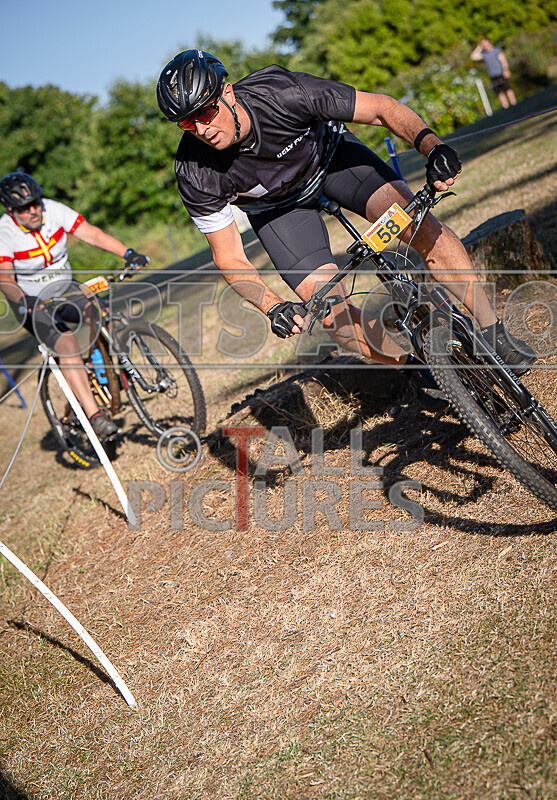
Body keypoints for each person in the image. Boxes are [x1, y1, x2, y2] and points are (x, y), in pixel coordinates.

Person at [156, 50, 534, 408]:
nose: (202, 128)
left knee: (420, 226)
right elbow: (229, 256)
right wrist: (272, 307)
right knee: (330, 313)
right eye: (188, 122)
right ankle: (421, 371)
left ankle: (492, 332)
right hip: (279, 211)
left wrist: (432, 147)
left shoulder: (282, 92)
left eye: (205, 112)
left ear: (227, 91)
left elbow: (382, 109)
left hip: (334, 162)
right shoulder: (194, 172)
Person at [0, 172, 149, 438]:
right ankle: (95, 416)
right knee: (66, 343)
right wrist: (26, 301)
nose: (34, 210)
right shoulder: (5, 232)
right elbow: (6, 279)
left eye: (35, 202)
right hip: (32, 302)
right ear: (11, 211)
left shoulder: (52, 210)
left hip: (65, 288)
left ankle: (108, 371)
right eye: (24, 208)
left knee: (105, 313)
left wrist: (128, 253)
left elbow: (93, 234)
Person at [471, 38, 517, 109]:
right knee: (499, 93)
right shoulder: (484, 54)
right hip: (492, 76)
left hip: (501, 73)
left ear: (489, 43)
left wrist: (506, 70)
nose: (484, 45)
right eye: (482, 44)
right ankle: (506, 108)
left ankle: (514, 104)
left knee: (507, 88)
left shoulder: (496, 50)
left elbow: (503, 60)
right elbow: (473, 57)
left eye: (485, 43)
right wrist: (479, 47)